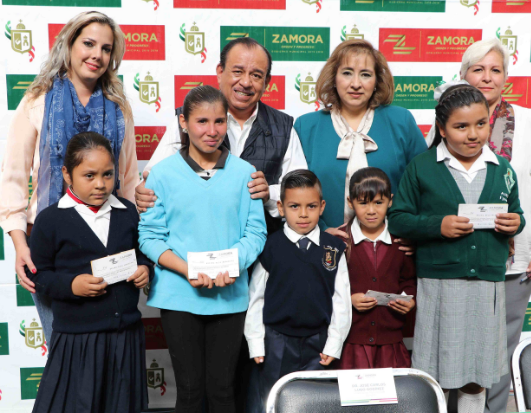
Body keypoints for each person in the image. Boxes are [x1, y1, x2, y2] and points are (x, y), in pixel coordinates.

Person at [0, 11, 139, 349]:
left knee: (110, 348)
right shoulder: (37, 101)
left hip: (109, 241)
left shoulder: (118, 108)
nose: (97, 55)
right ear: (69, 44)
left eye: (106, 48)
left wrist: (137, 244)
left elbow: (128, 179)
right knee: (63, 349)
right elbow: (14, 178)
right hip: (51, 245)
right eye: (88, 44)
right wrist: (20, 245)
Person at [388, 84, 525, 413]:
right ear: (442, 129)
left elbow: (517, 212)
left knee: (477, 372)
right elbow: (398, 219)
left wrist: (515, 223)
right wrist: (438, 225)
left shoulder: (502, 169)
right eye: (461, 126)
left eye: (481, 123)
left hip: (486, 287)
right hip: (440, 285)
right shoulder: (422, 167)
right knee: (437, 372)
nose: (473, 134)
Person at [138, 86, 267, 413]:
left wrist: (233, 264)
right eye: (202, 121)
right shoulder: (161, 174)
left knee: (223, 391)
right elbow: (150, 237)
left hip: (229, 295)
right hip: (179, 296)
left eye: (219, 121)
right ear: (183, 122)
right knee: (190, 391)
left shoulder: (245, 173)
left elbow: (255, 232)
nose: (212, 131)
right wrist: (188, 270)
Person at [453, 39, 531, 413]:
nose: (487, 77)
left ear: (505, 77)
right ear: (463, 75)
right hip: (458, 255)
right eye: (478, 69)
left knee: (502, 347)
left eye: (495, 70)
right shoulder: (445, 121)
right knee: (457, 346)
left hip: (515, 259)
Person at [27, 132, 151, 413]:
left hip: (125, 335)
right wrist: (71, 285)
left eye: (108, 174)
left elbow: (142, 252)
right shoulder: (50, 220)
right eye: (89, 175)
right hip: (78, 338)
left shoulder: (128, 213)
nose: (100, 184)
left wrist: (145, 268)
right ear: (67, 174)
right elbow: (39, 275)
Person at [136, 37, 307, 234]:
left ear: (267, 82)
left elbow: (302, 192)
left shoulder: (283, 127)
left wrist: (270, 193)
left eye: (256, 75)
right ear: (220, 72)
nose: (246, 82)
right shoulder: (186, 121)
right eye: (238, 71)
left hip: (263, 244)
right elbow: (152, 183)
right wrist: (145, 193)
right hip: (194, 239)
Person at [294, 39, 427, 237]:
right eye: (347, 73)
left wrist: (411, 233)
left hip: (391, 244)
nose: (355, 84)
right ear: (333, 77)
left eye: (365, 74)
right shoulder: (306, 126)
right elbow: (294, 194)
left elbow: (423, 187)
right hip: (321, 244)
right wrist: (320, 232)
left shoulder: (401, 121)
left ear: (377, 81)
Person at [244, 169, 352, 413]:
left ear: (322, 207)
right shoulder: (269, 247)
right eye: (294, 206)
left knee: (316, 403)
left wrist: (334, 343)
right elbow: (256, 298)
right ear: (281, 208)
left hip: (319, 343)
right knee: (271, 402)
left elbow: (341, 300)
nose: (303, 214)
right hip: (275, 343)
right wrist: (256, 342)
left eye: (311, 206)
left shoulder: (333, 248)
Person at [336, 167, 416, 370]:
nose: (371, 210)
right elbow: (327, 286)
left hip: (391, 343)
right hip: (351, 343)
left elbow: (408, 279)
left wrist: (410, 299)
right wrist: (349, 299)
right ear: (350, 202)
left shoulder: (402, 241)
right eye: (363, 203)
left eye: (378, 203)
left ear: (390, 201)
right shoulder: (340, 240)